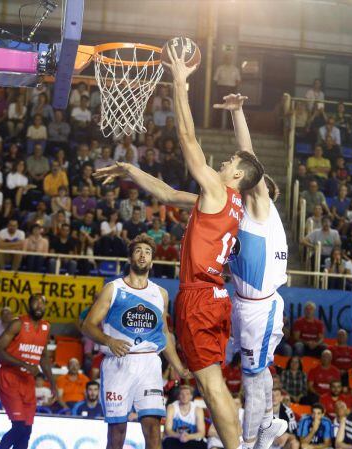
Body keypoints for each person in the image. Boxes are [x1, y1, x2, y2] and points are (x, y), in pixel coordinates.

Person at [95, 85, 270, 449]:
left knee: (211, 384)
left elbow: (188, 137)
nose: (221, 164)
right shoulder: (226, 201)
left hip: (201, 296)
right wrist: (132, 170)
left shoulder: (219, 191)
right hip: (213, 295)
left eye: (229, 163)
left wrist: (179, 82)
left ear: (237, 176)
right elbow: (169, 194)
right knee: (211, 381)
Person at [81, 234, 190, 449]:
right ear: (130, 258)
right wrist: (109, 340)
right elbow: (88, 325)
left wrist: (179, 367)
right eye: (138, 251)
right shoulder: (114, 289)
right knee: (117, 432)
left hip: (150, 364)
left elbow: (164, 333)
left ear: (152, 260)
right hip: (119, 364)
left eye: (147, 252)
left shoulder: (161, 294)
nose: (143, 255)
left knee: (152, 428)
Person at [0, 294, 58, 449]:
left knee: (27, 431)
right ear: (29, 306)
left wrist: (53, 383)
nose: (39, 306)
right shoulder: (18, 324)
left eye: (42, 304)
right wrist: (25, 364)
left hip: (27, 380)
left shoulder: (46, 327)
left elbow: (43, 357)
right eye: (35, 303)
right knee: (19, 427)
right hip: (9, 376)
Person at [164, 385, 207, 449]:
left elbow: (201, 433)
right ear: (178, 396)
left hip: (192, 438)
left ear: (191, 396)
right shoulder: (171, 407)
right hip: (175, 437)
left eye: (187, 394)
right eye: (182, 394)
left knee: (202, 445)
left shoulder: (198, 409)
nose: (185, 396)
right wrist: (180, 436)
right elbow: (167, 430)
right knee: (167, 443)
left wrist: (188, 437)